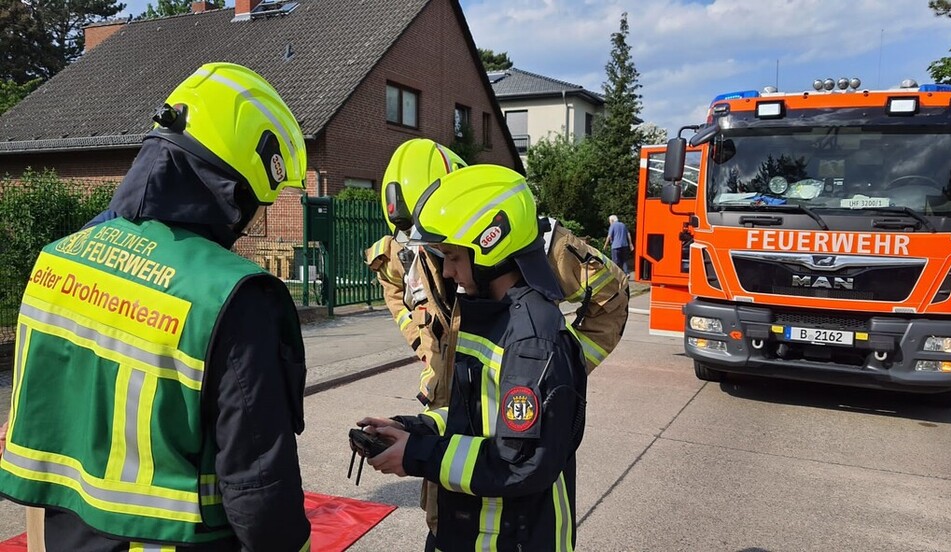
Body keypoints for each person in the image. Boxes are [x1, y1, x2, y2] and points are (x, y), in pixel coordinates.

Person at [0, 62, 311, 551]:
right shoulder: (233, 296)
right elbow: (257, 487)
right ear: (235, 187)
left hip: (66, 537)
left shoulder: (58, 259)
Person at [364, 138, 628, 534]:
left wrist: (558, 367)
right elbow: (390, 279)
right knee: (445, 518)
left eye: (448, 253)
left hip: (512, 454)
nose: (440, 265)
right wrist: (427, 353)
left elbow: (612, 296)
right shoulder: (406, 250)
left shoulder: (537, 249)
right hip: (457, 418)